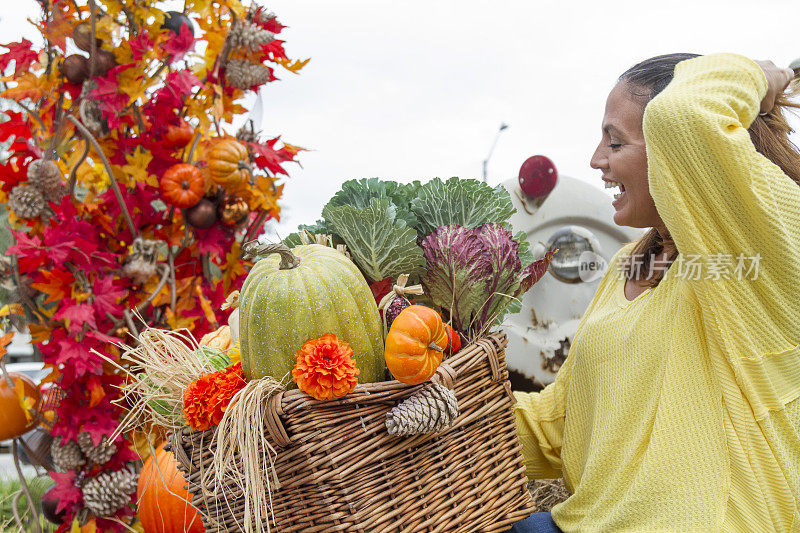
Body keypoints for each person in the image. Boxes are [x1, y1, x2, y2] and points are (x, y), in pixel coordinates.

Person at [508, 53, 800, 532]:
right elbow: (559, 423)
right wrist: (451, 405)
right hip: (585, 522)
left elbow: (684, 113)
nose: (595, 159)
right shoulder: (630, 262)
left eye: (615, 141)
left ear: (671, 150)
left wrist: (760, 75)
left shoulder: (758, 248)